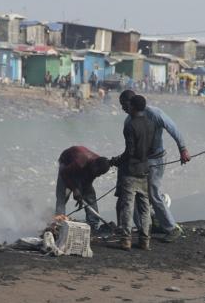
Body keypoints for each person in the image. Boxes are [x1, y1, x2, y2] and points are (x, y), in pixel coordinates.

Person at [115, 90, 191, 243]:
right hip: (141, 162)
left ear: (132, 103)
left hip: (156, 159)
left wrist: (183, 149)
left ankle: (171, 228)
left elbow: (172, 128)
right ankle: (145, 228)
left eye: (124, 105)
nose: (122, 108)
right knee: (138, 195)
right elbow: (131, 149)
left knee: (153, 193)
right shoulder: (128, 122)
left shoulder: (154, 114)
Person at [110, 95, 155, 250]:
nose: (126, 108)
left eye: (129, 105)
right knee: (145, 207)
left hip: (130, 171)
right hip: (145, 170)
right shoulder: (150, 124)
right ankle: (145, 241)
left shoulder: (130, 125)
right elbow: (149, 149)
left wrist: (116, 160)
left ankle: (126, 240)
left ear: (133, 107)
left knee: (127, 206)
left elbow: (130, 152)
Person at [55, 146, 111, 231]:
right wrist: (75, 189)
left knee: (89, 195)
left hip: (81, 168)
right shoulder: (81, 161)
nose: (98, 175)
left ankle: (93, 224)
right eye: (98, 172)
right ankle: (58, 223)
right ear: (94, 165)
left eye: (100, 174)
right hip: (66, 165)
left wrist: (81, 196)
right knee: (62, 195)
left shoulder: (98, 166)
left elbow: (87, 182)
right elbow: (65, 174)